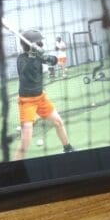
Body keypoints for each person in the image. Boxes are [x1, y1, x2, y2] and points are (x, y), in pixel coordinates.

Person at [14, 30, 74, 160]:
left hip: (41, 97)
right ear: (31, 45)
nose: (41, 44)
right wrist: (31, 55)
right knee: (26, 140)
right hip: (27, 102)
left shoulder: (37, 56)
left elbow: (54, 61)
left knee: (58, 122)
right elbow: (24, 71)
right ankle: (13, 168)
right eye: (38, 42)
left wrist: (47, 57)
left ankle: (68, 148)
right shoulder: (22, 59)